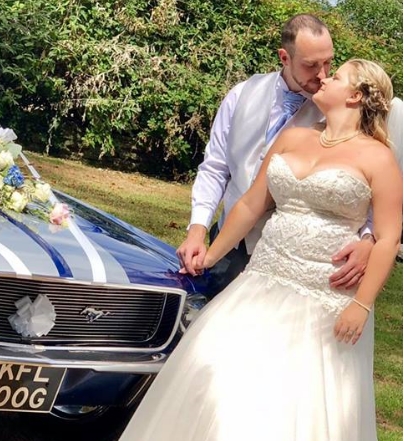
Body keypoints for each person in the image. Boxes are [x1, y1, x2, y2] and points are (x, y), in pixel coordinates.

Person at [118, 59, 402, 441]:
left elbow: (386, 237)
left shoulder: (378, 158)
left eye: (335, 76)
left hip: (324, 297)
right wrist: (211, 255)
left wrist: (362, 304)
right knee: (217, 369)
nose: (324, 78)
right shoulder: (293, 136)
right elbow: (253, 204)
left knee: (287, 402)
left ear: (355, 95)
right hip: (262, 280)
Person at [177, 14, 375, 294]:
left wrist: (369, 238)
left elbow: (369, 184)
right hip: (228, 244)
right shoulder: (241, 94)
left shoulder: (336, 109)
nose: (322, 75)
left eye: (328, 62)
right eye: (310, 65)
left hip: (296, 260)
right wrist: (197, 227)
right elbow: (216, 168)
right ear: (285, 57)